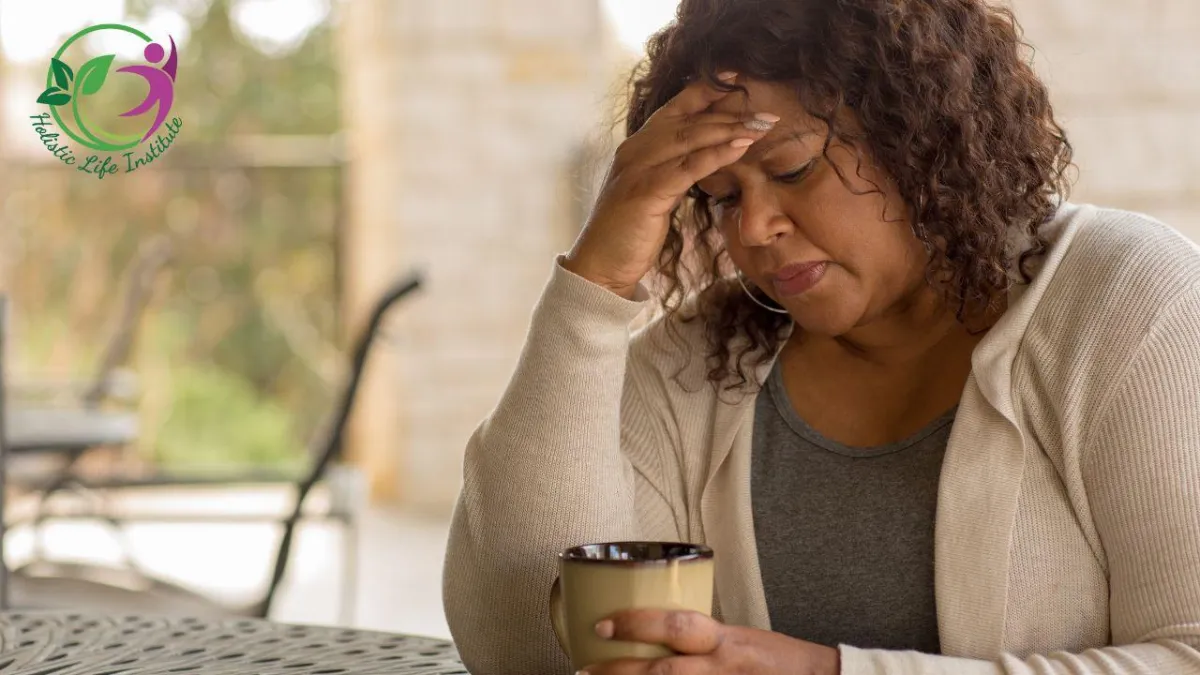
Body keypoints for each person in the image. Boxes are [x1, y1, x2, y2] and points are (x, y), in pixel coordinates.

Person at [443, 0, 1200, 673]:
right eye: (721, 196)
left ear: (918, 136)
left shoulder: (1127, 305)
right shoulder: (700, 362)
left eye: (795, 168)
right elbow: (523, 649)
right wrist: (596, 285)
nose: (753, 228)